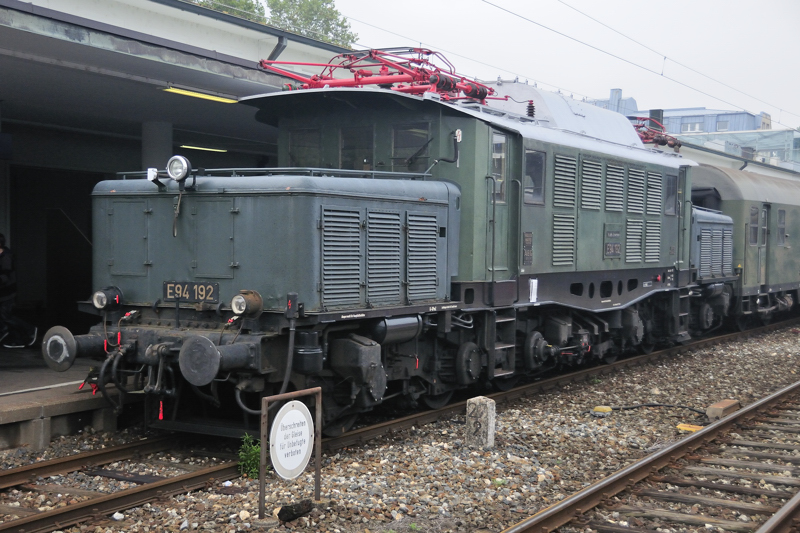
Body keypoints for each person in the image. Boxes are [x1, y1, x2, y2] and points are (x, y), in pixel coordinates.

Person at [0, 233, 37, 348]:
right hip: (4, 293)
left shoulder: (6, 257)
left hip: (7, 293)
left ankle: (30, 330)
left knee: (6, 316)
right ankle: (18, 340)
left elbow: (5, 277)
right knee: (5, 316)